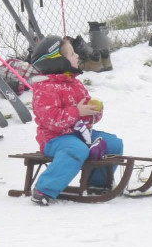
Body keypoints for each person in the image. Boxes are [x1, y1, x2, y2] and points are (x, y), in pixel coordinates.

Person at [28, 35, 123, 205]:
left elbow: (87, 117)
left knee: (114, 144)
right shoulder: (46, 88)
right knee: (77, 149)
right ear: (57, 61)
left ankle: (97, 184)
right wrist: (77, 112)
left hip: (81, 134)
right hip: (55, 139)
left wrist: (94, 111)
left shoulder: (75, 84)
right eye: (72, 54)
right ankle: (44, 189)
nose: (77, 56)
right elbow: (51, 120)